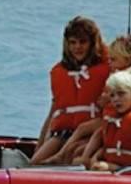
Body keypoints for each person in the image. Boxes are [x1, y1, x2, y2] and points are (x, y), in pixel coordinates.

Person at [47, 33, 131, 165]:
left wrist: (107, 98)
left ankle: (81, 156)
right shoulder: (116, 74)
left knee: (90, 132)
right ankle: (62, 155)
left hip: (117, 119)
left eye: (113, 60)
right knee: (83, 131)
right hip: (108, 116)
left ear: (127, 60)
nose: (110, 63)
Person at [30, 16, 110, 164]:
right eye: (72, 42)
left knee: (73, 156)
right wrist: (39, 145)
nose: (77, 47)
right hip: (62, 133)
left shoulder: (107, 69)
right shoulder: (59, 72)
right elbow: (53, 111)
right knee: (35, 163)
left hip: (90, 133)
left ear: (93, 43)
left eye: (83, 42)